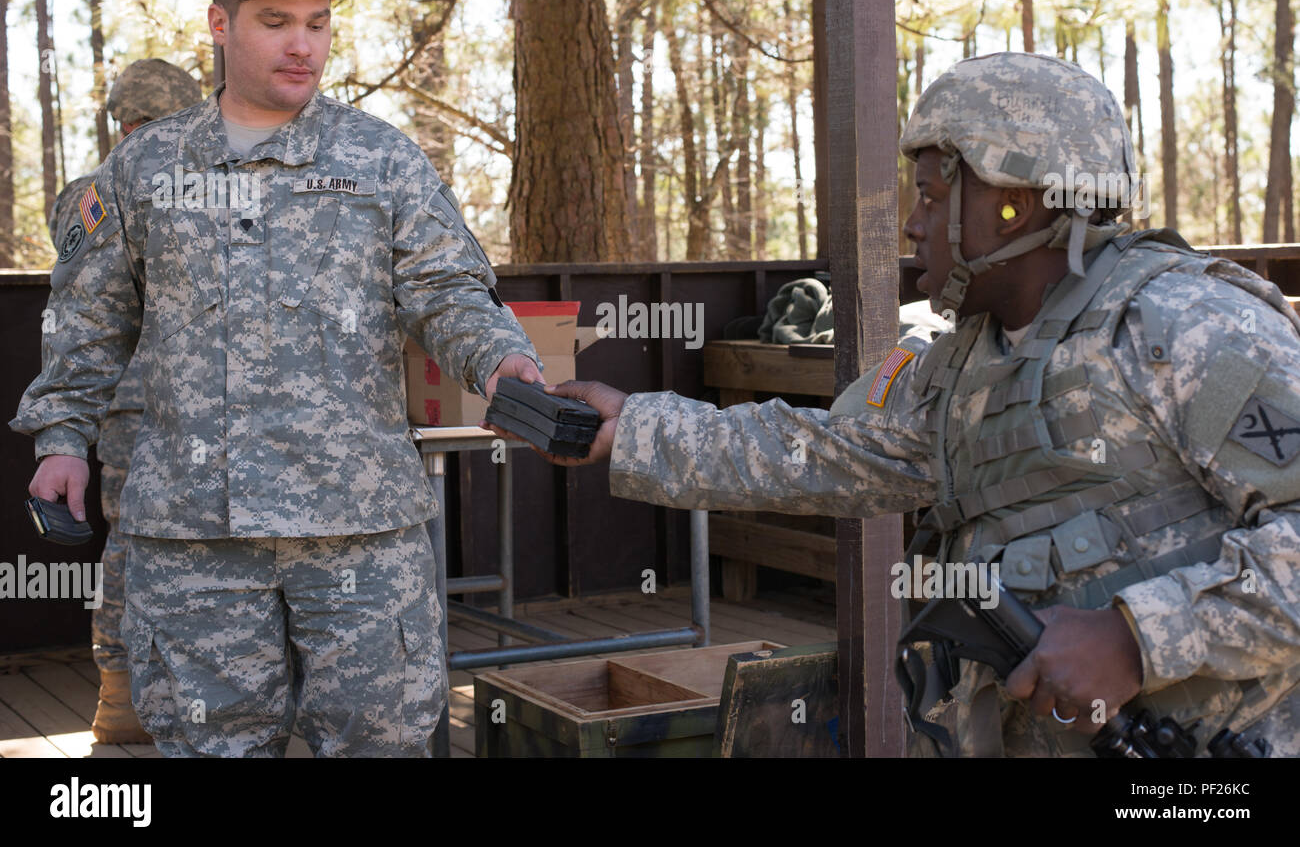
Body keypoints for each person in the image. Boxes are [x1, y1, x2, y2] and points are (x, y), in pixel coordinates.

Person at [500, 52, 1300, 757]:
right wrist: (631, 427)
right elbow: (828, 455)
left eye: (929, 195)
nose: (914, 226)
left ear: (1014, 202)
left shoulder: (1187, 325)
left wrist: (1136, 637)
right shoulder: (965, 360)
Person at [12, 0, 542, 757]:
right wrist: (62, 439)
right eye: (274, 21)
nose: (303, 44)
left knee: (381, 740)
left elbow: (446, 293)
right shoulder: (144, 168)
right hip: (193, 536)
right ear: (220, 26)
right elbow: (90, 323)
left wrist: (503, 362)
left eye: (318, 22)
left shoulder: (380, 159)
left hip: (358, 524)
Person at [42, 59, 202, 744]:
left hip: (154, 416)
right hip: (157, 414)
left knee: (137, 556)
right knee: (157, 557)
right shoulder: (116, 191)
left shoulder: (98, 192)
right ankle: (131, 703)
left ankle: (129, 703)